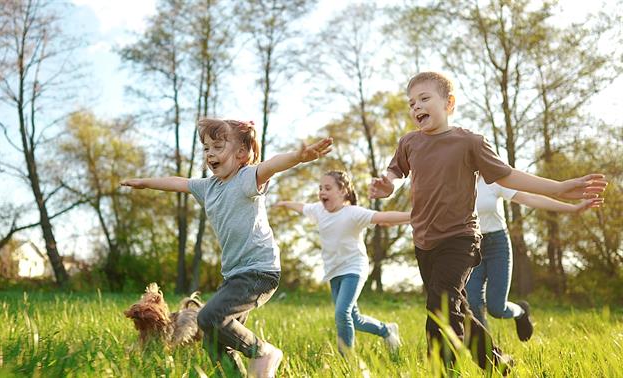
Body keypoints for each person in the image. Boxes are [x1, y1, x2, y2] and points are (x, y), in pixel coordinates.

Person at [369, 71, 607, 373]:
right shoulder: (409, 143)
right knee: (458, 309)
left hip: (460, 239)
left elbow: (508, 176)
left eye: (424, 99)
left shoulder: (468, 142)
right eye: (411, 102)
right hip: (424, 242)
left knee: (440, 308)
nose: (416, 107)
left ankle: (442, 369)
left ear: (449, 103)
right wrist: (388, 184)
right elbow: (396, 170)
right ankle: (498, 363)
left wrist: (559, 187)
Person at [121, 118, 333, 378]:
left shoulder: (246, 179)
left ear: (241, 154)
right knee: (214, 341)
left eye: (218, 147)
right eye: (206, 148)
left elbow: (271, 166)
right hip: (235, 275)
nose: (210, 153)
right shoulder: (208, 187)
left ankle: (264, 352)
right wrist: (144, 182)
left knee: (208, 317)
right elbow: (178, 182)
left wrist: (298, 157)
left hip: (259, 271)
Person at [275, 170, 409, 356]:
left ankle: (347, 362)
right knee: (354, 319)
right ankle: (387, 330)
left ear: (343, 191)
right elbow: (302, 207)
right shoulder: (318, 210)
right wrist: (284, 203)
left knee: (341, 314)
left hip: (354, 268)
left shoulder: (353, 213)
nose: (322, 192)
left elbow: (383, 217)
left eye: (328, 188)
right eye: (320, 188)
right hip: (334, 271)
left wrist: (413, 216)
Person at [468, 177, 603, 341]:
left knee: (496, 308)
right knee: (473, 302)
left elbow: (529, 198)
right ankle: (489, 355)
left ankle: (521, 311)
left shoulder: (493, 180)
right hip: (471, 244)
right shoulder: (456, 180)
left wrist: (573, 209)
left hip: (497, 244)